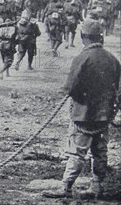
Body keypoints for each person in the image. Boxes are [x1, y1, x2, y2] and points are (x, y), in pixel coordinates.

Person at [42, 20, 120, 199]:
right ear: (101, 36)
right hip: (104, 116)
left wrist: (68, 94)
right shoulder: (112, 59)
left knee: (76, 152)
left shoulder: (82, 58)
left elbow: (70, 87)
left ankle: (66, 187)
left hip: (83, 114)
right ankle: (97, 187)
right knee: (100, 152)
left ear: (82, 36)